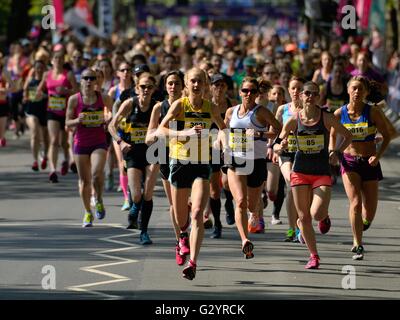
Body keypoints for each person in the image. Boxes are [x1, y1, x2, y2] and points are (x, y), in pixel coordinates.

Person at [157, 68, 227, 280]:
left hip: (201, 164)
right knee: (181, 220)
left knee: (197, 212)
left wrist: (221, 140)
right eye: (193, 81)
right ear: (186, 84)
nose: (196, 85)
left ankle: (193, 262)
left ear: (206, 85)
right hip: (179, 163)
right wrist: (184, 133)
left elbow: (223, 128)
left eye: (200, 82)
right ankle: (182, 238)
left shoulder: (211, 107)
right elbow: (161, 129)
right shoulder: (179, 105)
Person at [273, 81, 352, 269]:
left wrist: (336, 152)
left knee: (316, 213)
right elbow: (276, 143)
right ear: (301, 95)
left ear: (318, 97)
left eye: (314, 94)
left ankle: (324, 217)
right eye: (307, 93)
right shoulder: (293, 120)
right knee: (304, 218)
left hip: (320, 173)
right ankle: (314, 255)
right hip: (299, 172)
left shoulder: (326, 118)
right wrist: (280, 147)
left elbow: (347, 135)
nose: (310, 97)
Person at [330, 76, 391, 260]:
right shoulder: (339, 113)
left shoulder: (373, 112)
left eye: (360, 89)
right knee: (355, 202)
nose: (357, 92)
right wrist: (332, 153)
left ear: (365, 92)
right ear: (348, 90)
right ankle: (357, 243)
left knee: (369, 212)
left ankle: (363, 223)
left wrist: (377, 156)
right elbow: (332, 134)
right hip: (349, 162)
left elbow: (387, 136)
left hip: (370, 162)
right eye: (354, 88)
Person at [224, 77, 281, 259]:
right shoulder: (231, 112)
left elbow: (278, 129)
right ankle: (244, 240)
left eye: (252, 91)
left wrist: (260, 133)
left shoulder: (261, 112)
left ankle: (255, 211)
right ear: (240, 92)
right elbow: (225, 131)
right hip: (236, 159)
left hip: (256, 161)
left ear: (257, 94)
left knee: (250, 204)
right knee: (240, 201)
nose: (248, 94)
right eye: (245, 91)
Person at [109, 72, 159, 245]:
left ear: (154, 89)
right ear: (137, 88)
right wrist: (120, 142)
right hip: (132, 152)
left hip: (153, 152)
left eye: (149, 87)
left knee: (148, 194)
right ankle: (134, 208)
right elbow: (112, 126)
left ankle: (144, 232)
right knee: (136, 194)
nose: (146, 90)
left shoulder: (157, 107)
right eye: (142, 87)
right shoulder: (130, 104)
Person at [145, 70, 185, 264]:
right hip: (165, 155)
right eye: (169, 83)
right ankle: (180, 241)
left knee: (191, 203)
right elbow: (149, 136)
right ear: (165, 86)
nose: (173, 86)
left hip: (188, 156)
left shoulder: (188, 105)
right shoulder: (159, 107)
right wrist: (159, 135)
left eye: (177, 83)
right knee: (174, 205)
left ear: (182, 85)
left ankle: (188, 232)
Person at [66, 68, 113, 227]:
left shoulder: (104, 98)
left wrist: (108, 120)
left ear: (96, 81)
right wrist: (77, 120)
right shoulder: (74, 99)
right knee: (84, 181)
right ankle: (87, 212)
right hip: (81, 143)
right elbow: (67, 122)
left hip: (99, 141)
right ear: (81, 80)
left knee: (96, 174)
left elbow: (113, 117)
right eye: (85, 78)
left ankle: (98, 199)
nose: (88, 81)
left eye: (91, 78)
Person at [37, 50, 79, 183]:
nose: (58, 60)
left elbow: (77, 91)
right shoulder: (46, 74)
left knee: (64, 142)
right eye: (55, 58)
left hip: (67, 112)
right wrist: (42, 95)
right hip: (52, 111)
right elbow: (39, 90)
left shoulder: (69, 74)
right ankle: (53, 170)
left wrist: (66, 91)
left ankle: (66, 160)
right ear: (51, 60)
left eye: (61, 58)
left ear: (64, 60)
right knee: (54, 140)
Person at [275, 76, 305, 242]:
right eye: (293, 88)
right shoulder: (282, 110)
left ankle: (299, 226)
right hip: (286, 153)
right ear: (288, 89)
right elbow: (274, 133)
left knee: (297, 189)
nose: (296, 91)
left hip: (303, 154)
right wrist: (277, 145)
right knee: (292, 182)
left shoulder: (308, 111)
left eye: (299, 88)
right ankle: (292, 228)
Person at [108, 61, 135, 210]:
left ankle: (135, 191)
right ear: (117, 73)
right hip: (119, 132)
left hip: (134, 133)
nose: (125, 72)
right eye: (122, 69)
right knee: (122, 165)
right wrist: (111, 117)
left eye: (128, 69)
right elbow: (110, 108)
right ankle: (126, 198)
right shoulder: (114, 91)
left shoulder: (136, 90)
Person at [22, 60, 49, 171]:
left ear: (44, 69)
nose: (39, 70)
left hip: (44, 111)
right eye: (37, 67)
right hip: (31, 110)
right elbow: (24, 94)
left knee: (45, 137)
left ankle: (44, 156)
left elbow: (52, 95)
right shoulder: (30, 80)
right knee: (34, 132)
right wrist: (26, 97)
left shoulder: (47, 81)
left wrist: (44, 96)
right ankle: (35, 161)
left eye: (41, 67)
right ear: (34, 68)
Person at [0, 52, 15, 147]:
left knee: (1, 130)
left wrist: (6, 90)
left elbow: (12, 86)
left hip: (2, 102)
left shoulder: (4, 71)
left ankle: (2, 138)